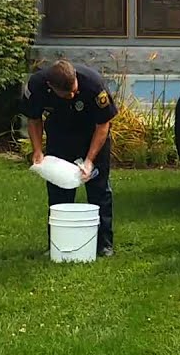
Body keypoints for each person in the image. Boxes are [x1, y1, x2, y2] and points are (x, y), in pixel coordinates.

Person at [22, 60, 118, 257]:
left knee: (99, 190)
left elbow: (103, 125)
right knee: (58, 195)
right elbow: (34, 119)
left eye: (74, 90)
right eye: (67, 95)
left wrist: (90, 160)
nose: (73, 95)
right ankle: (57, 243)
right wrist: (38, 150)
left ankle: (103, 244)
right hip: (60, 138)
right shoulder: (37, 86)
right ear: (51, 87)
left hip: (91, 136)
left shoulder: (93, 84)